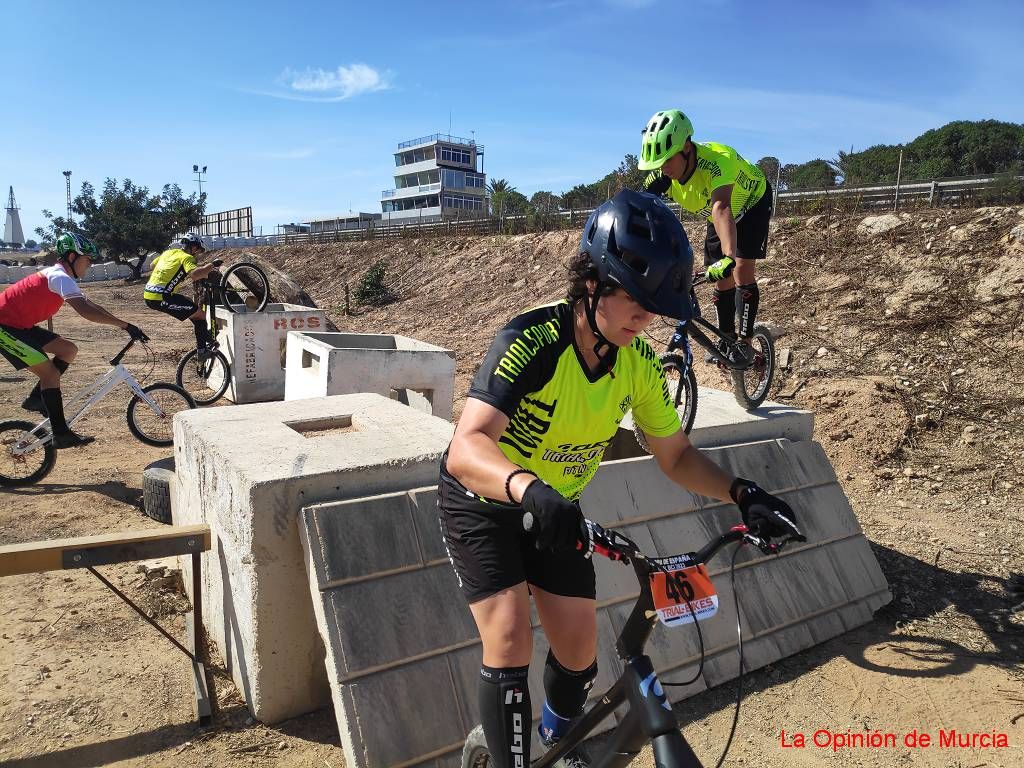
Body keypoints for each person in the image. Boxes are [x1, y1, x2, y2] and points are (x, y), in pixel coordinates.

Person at [439, 190, 804, 768]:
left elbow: (677, 456)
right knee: (509, 637)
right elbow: (468, 446)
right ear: (593, 283)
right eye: (638, 301)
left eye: (657, 306)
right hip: (485, 501)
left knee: (580, 651)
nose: (649, 319)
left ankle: (555, 745)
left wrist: (742, 493)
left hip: (553, 510)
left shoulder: (635, 364)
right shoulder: (531, 340)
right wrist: (528, 487)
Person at [639, 109, 773, 364]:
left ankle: (744, 343)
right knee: (720, 281)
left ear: (687, 147)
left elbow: (721, 207)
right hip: (719, 214)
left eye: (667, 160)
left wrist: (728, 257)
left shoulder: (718, 160)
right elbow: (638, 208)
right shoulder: (663, 175)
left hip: (752, 203)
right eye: (657, 163)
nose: (662, 168)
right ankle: (727, 339)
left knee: (740, 271)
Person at [0, 232, 147, 448]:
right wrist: (123, 326)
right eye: (87, 259)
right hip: (5, 329)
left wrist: (127, 325)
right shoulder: (59, 277)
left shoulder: (62, 277)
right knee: (49, 373)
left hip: (19, 326)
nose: (89, 264)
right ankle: (60, 433)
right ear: (72, 257)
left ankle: (36, 399)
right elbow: (85, 311)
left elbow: (93, 306)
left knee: (68, 350)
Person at [143, 233, 220, 350]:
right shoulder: (188, 258)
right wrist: (212, 265)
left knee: (190, 306)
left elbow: (152, 265)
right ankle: (202, 350)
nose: (198, 253)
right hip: (161, 297)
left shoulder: (168, 253)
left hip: (149, 294)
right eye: (198, 250)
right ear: (194, 247)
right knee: (200, 315)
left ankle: (206, 336)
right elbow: (195, 275)